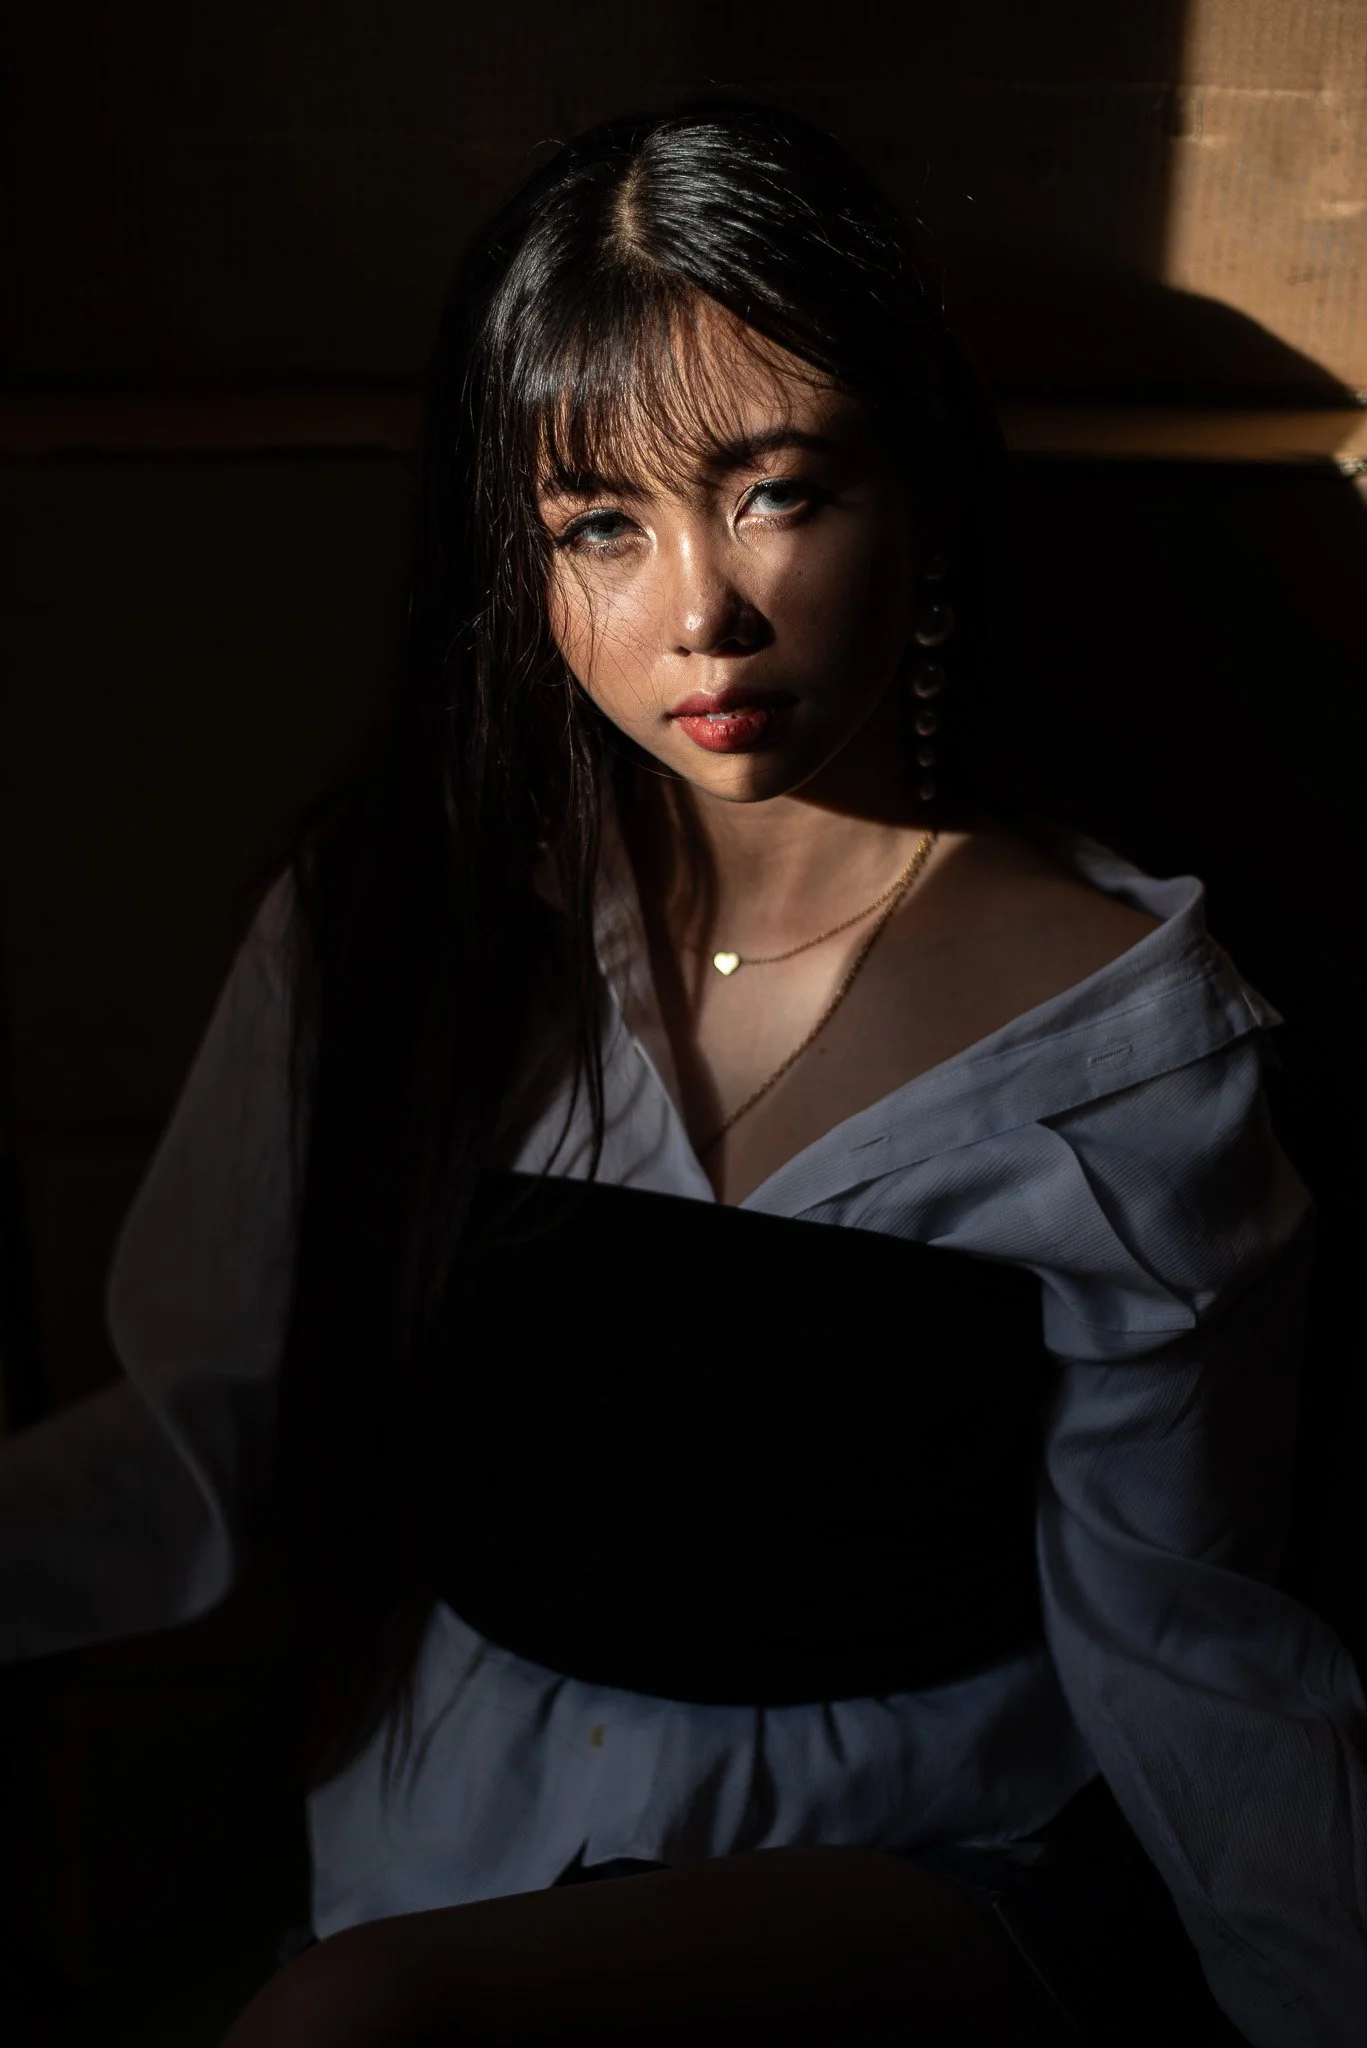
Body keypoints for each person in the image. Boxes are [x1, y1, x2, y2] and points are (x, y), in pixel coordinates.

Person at [2, 100, 1364, 2048]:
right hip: (454, 1819)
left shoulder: (1120, 1045)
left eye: (775, 491)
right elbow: (194, 1433)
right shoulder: (397, 924)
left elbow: (1185, 1646)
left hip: (932, 1850)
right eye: (600, 525)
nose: (697, 615)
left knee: (359, 2022)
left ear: (917, 495)